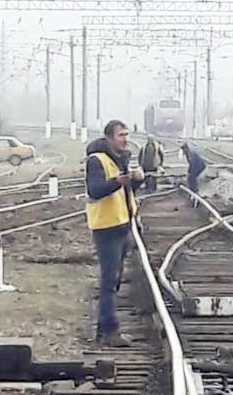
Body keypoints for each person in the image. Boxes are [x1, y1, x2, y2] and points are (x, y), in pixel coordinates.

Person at [86, 120, 147, 347]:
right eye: (121, 135)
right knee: (109, 281)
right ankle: (108, 331)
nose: (125, 138)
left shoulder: (120, 159)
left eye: (127, 134)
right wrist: (116, 182)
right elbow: (95, 189)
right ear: (109, 137)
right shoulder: (97, 160)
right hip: (106, 227)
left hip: (122, 224)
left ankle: (106, 330)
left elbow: (124, 192)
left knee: (115, 280)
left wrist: (136, 181)